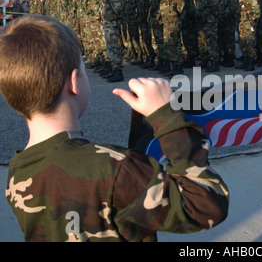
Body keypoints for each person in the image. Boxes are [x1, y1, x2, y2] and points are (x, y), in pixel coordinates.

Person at [0, 14, 229, 242]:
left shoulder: (17, 173)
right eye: (83, 68)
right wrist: (168, 118)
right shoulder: (117, 169)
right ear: (73, 82)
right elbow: (206, 206)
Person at [99, 0, 124, 83]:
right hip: (109, 23)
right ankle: (114, 70)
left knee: (113, 48)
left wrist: (112, 17)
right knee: (110, 48)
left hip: (112, 23)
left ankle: (118, 72)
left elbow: (117, 7)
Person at [235, 0, 260, 71]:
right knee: (242, 43)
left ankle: (251, 63)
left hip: (248, 24)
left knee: (250, 44)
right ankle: (245, 61)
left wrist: (251, 21)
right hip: (241, 23)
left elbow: (257, 11)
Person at [217, 0, 239, 68]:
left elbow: (233, 9)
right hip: (221, 22)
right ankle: (226, 58)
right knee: (222, 42)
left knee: (229, 42)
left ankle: (230, 59)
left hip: (228, 22)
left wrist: (223, 14)